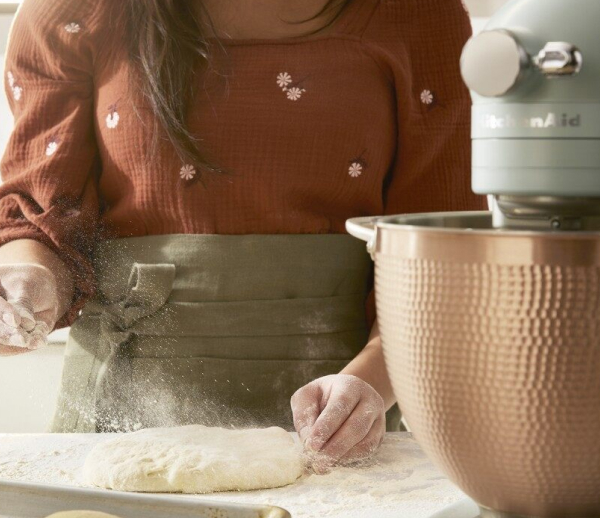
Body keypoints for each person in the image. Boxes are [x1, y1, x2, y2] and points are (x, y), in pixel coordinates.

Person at [0, 0, 483, 468]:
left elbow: (436, 250)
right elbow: (40, 210)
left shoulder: (420, 12)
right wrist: (30, 278)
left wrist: (371, 380)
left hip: (335, 418)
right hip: (113, 418)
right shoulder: (70, 11)